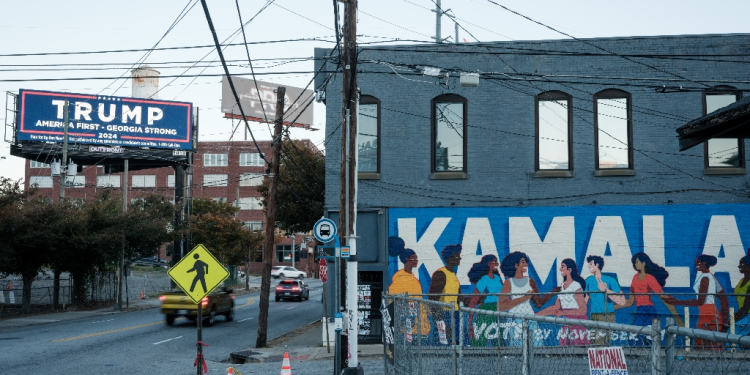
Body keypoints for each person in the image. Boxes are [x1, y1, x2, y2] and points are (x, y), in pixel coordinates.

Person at [668, 254, 729, 348]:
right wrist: (724, 321)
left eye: (698, 262)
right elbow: (724, 299)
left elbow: (700, 301)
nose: (696, 264)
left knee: (704, 343)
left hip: (708, 313)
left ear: (704, 263)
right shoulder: (710, 277)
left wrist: (677, 302)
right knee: (708, 343)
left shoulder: (705, 278)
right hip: (709, 312)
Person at [498, 251, 557, 346]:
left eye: (526, 261)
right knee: (518, 346)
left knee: (537, 345)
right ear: (516, 265)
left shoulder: (530, 281)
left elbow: (538, 303)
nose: (526, 264)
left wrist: (555, 291)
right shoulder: (508, 283)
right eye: (523, 262)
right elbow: (502, 306)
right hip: (515, 318)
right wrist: (524, 298)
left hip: (530, 316)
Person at [618, 252, 677, 345]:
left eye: (637, 262)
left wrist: (675, 314)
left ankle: (654, 357)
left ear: (644, 263)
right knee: (634, 337)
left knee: (649, 337)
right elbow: (630, 301)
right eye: (634, 263)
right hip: (640, 310)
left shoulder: (650, 278)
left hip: (649, 310)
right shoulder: (635, 277)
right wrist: (612, 307)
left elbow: (662, 295)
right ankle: (637, 357)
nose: (635, 264)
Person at [537, 259, 590, 346]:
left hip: (578, 323)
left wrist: (562, 312)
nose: (560, 269)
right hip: (566, 323)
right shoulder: (562, 286)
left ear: (569, 270)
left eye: (563, 267)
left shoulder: (576, 286)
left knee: (578, 350)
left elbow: (583, 310)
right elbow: (555, 307)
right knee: (564, 350)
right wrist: (535, 316)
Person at [388, 236, 429, 336]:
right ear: (407, 259)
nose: (416, 260)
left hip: (421, 328)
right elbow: (393, 303)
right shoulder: (400, 280)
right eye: (413, 258)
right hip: (410, 330)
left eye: (416, 258)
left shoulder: (413, 280)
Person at [584, 255, 625, 345]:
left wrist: (606, 290)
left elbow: (622, 301)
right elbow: (585, 299)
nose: (588, 266)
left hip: (608, 315)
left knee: (606, 342)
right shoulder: (588, 281)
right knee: (596, 342)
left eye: (591, 264)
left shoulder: (610, 280)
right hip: (594, 315)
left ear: (597, 265)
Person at [428, 244, 463, 343]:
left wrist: (480, 297)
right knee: (443, 344)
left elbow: (459, 298)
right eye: (456, 256)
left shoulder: (453, 275)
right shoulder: (440, 274)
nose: (459, 258)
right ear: (449, 258)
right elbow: (433, 301)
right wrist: (442, 323)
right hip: (444, 314)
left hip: (455, 314)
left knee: (456, 343)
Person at [467, 254, 504, 346]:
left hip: (498, 308)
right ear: (489, 264)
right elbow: (474, 298)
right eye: (494, 262)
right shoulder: (484, 279)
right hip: (486, 309)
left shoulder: (498, 278)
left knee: (498, 335)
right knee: (481, 336)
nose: (497, 264)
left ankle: (500, 355)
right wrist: (470, 320)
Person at [733, 250, 750, 336]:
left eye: (742, 264)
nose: (739, 266)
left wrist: (733, 320)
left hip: (747, 315)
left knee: (732, 333)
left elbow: (746, 306)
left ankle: (733, 350)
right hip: (744, 315)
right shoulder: (741, 281)